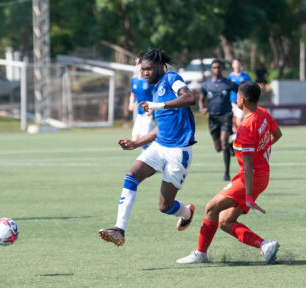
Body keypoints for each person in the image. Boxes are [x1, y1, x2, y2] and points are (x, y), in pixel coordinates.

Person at [176, 81, 282, 264]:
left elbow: (248, 166)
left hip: (251, 177)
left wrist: (248, 196)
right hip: (262, 175)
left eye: (237, 97)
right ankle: (265, 245)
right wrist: (262, 148)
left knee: (211, 207)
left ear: (242, 99)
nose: (235, 99)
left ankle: (201, 253)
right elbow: (277, 134)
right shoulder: (263, 113)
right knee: (225, 221)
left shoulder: (245, 128)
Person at [99, 48, 196, 247]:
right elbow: (161, 128)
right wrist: (136, 143)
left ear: (160, 66)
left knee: (164, 206)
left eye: (149, 69)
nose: (145, 73)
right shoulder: (156, 87)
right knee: (131, 175)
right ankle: (119, 229)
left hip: (178, 152)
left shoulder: (171, 78)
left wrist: (157, 106)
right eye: (143, 69)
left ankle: (186, 211)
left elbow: (189, 98)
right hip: (159, 147)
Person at [199, 59, 238, 181]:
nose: (217, 69)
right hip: (213, 118)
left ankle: (226, 173)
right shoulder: (206, 85)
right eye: (214, 67)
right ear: (211, 69)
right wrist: (202, 108)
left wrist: (240, 102)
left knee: (224, 142)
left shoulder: (228, 83)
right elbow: (201, 99)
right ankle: (233, 146)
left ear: (222, 69)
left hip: (226, 115)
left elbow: (240, 92)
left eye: (219, 67)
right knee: (218, 148)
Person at [128, 59, 155, 150]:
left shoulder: (149, 80)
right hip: (140, 114)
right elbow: (133, 94)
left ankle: (150, 159)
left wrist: (151, 108)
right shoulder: (134, 80)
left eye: (139, 63)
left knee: (144, 139)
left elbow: (156, 96)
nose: (137, 65)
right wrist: (131, 103)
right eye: (136, 63)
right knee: (135, 138)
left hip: (149, 113)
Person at [228, 59, 251, 133]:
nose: (237, 65)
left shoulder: (245, 75)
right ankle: (235, 138)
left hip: (241, 102)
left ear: (240, 65)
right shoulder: (230, 76)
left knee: (239, 121)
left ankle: (241, 137)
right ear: (232, 65)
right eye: (235, 63)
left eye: (238, 63)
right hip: (232, 102)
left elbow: (249, 87)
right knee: (233, 122)